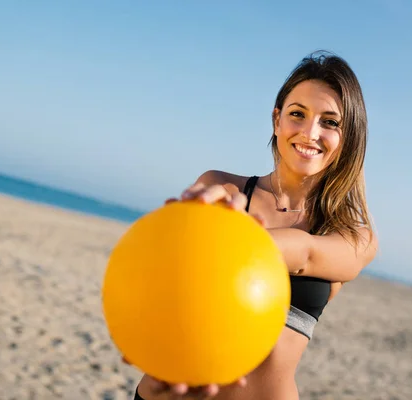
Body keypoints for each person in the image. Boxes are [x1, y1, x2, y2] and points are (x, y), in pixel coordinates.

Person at [129, 50, 379, 400]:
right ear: (277, 120)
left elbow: (305, 254)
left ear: (348, 136)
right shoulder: (221, 187)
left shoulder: (352, 236)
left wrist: (225, 238)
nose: (310, 132)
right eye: (297, 114)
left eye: (330, 122)